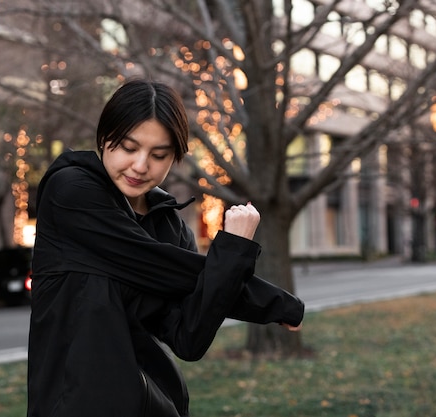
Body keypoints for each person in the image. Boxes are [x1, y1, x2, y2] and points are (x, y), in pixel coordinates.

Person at [27, 79, 304, 417]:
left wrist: (234, 247)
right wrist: (267, 297)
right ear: (104, 139)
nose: (141, 166)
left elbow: (189, 338)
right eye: (129, 148)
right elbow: (156, 264)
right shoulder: (71, 192)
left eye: (159, 155)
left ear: (175, 157)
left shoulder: (171, 228)